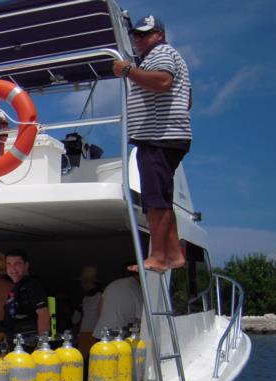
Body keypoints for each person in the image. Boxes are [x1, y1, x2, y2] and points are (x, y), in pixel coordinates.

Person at [113, 15, 192, 273]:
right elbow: (187, 99)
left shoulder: (161, 53)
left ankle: (158, 257)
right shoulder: (163, 56)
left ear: (158, 34)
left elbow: (163, 81)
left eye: (144, 34)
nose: (137, 39)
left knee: (154, 200)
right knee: (162, 199)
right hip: (166, 136)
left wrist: (127, 70)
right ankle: (173, 254)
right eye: (136, 34)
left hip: (159, 137)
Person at [2, 249, 50, 339]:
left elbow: (44, 314)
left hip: (31, 344)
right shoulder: (17, 287)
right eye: (9, 264)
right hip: (18, 345)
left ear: (26, 265)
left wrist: (42, 345)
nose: (12, 268)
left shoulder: (33, 285)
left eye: (17, 264)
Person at [92, 271, 144, 340]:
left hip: (102, 333)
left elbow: (99, 307)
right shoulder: (137, 289)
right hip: (120, 337)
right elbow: (140, 319)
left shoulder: (114, 284)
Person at [73, 266, 102, 342]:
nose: (83, 284)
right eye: (83, 281)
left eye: (85, 281)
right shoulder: (85, 298)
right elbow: (77, 319)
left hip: (95, 333)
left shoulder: (101, 296)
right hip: (84, 332)